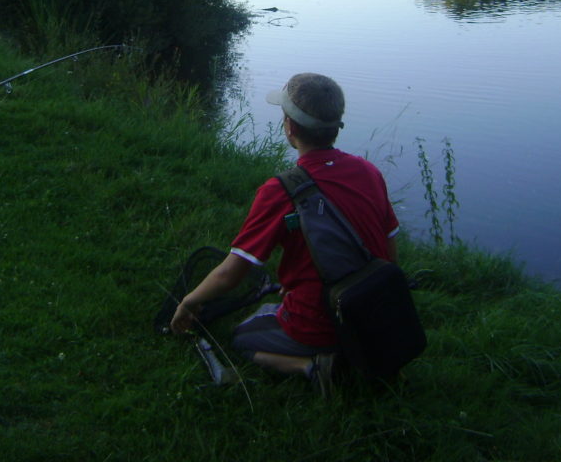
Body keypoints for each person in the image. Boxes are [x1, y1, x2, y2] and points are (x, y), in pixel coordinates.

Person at [170, 73, 400, 397]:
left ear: (290, 127)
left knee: (243, 336)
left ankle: (314, 367)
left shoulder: (280, 190)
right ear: (335, 125)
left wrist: (190, 301)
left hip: (320, 323)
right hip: (372, 313)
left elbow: (231, 273)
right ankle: (350, 349)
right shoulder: (369, 172)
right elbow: (389, 252)